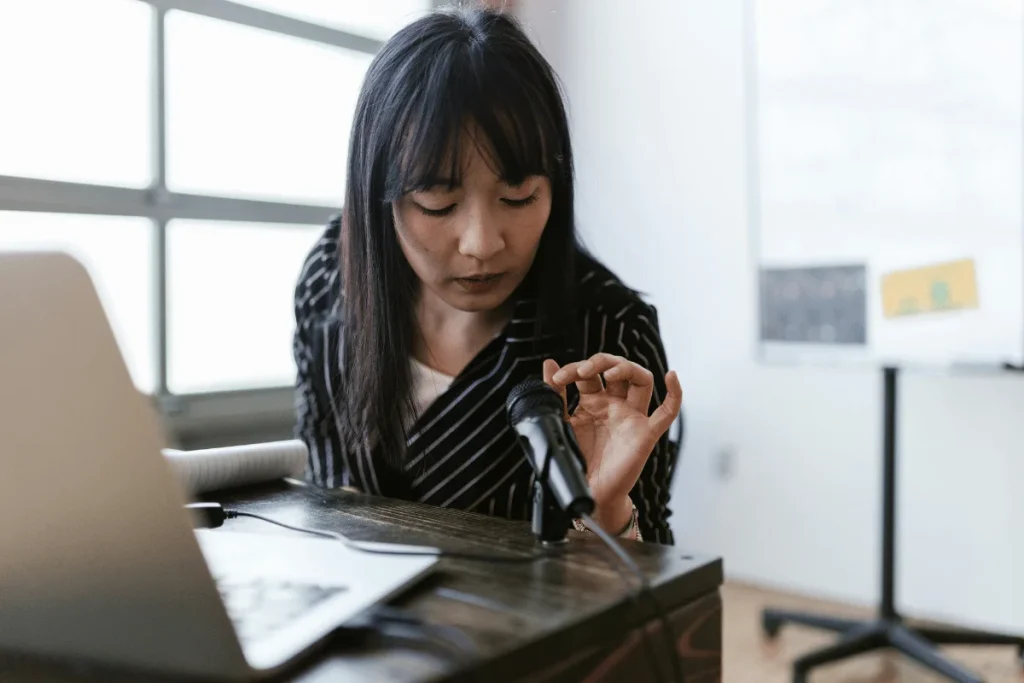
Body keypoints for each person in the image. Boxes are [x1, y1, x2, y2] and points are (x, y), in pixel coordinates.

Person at [292, 6, 683, 544]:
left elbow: (652, 592)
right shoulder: (328, 281)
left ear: (556, 184)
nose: (481, 244)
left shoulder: (608, 337)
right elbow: (323, 488)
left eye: (518, 197)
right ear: (375, 193)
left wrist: (608, 508)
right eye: (437, 202)